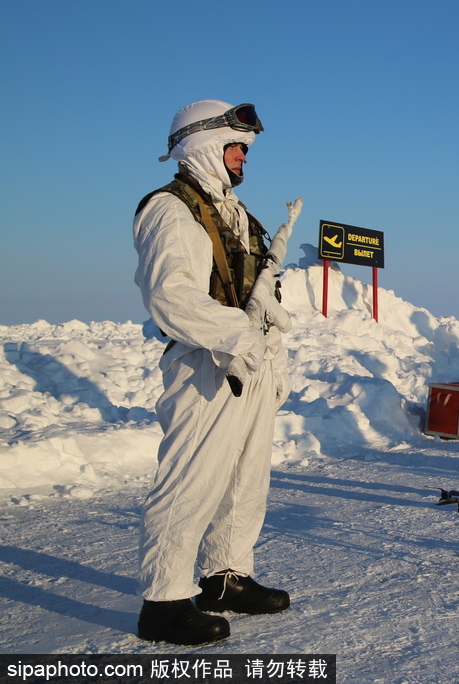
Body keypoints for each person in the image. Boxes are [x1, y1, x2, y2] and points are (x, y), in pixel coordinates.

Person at [132, 100, 291, 645]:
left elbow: (259, 291)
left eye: (246, 148)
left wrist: (273, 346)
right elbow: (169, 296)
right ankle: (164, 601)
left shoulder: (240, 214)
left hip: (250, 364)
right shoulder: (170, 209)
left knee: (245, 478)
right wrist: (239, 336)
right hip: (204, 365)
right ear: (201, 144)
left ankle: (226, 577)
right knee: (191, 481)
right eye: (236, 146)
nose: (244, 157)